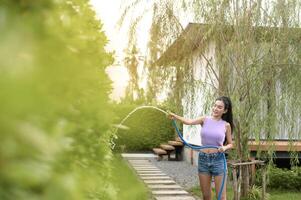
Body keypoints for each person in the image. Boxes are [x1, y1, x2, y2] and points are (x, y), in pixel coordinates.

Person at [168, 96, 234, 200]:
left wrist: (225, 148)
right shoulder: (205, 119)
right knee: (206, 196)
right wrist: (175, 117)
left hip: (218, 160)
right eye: (215, 105)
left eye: (219, 107)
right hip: (203, 159)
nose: (215, 108)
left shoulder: (226, 125)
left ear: (225, 110)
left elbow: (231, 144)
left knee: (221, 197)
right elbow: (189, 122)